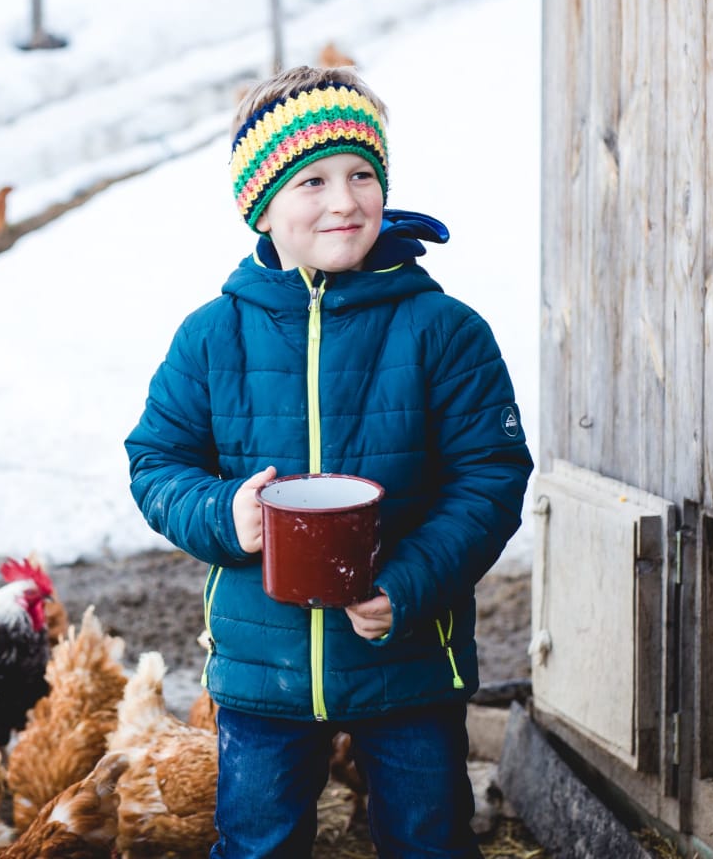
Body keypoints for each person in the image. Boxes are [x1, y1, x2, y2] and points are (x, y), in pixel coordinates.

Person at [125, 64, 533, 857]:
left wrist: (406, 585)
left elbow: (489, 477)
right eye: (311, 181)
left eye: (360, 175)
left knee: (428, 839)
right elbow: (156, 461)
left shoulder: (444, 331)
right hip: (262, 666)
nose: (343, 200)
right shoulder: (212, 336)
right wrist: (222, 514)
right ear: (261, 205)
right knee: (257, 841)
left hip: (406, 655)